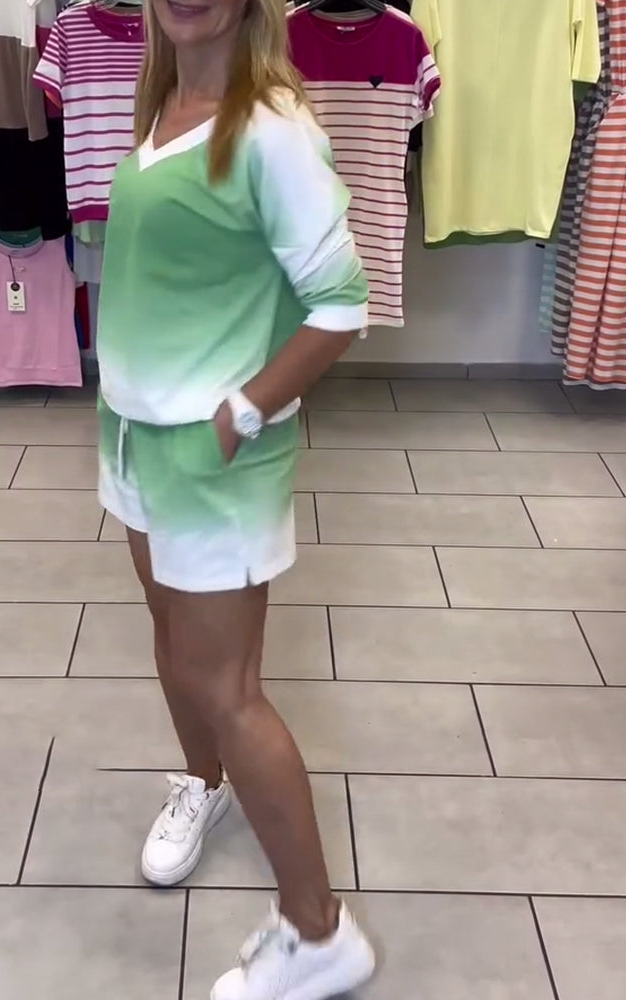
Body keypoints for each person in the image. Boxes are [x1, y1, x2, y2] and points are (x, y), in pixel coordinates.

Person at [95, 0, 375, 996]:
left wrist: (240, 414)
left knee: (228, 689)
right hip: (134, 436)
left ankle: (318, 931)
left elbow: (341, 305)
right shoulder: (161, 104)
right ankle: (202, 785)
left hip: (213, 457)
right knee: (172, 642)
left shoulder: (271, 130)